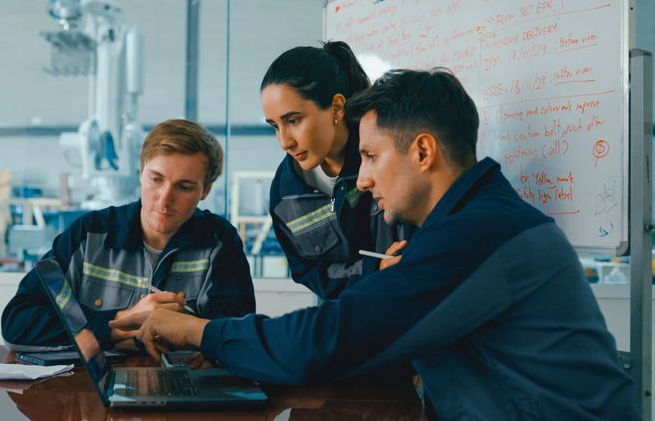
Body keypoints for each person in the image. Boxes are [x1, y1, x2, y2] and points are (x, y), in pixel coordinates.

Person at [112, 70, 636, 419]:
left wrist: (195, 330)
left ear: (424, 151)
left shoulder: (479, 233)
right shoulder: (469, 227)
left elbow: (329, 338)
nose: (361, 179)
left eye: (372, 156)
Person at [1, 119, 255, 352]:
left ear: (205, 190)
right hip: (90, 395)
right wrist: (118, 323)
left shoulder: (220, 242)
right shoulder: (90, 233)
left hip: (183, 391)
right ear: (141, 172)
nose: (164, 199)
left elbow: (237, 338)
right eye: (156, 179)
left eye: (184, 187)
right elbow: (19, 322)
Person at [260, 41, 410, 299]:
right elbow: (307, 271)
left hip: (404, 306)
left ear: (337, 107)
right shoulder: (285, 194)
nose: (284, 141)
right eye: (275, 126)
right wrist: (372, 270)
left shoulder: (386, 157)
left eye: (293, 121)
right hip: (343, 320)